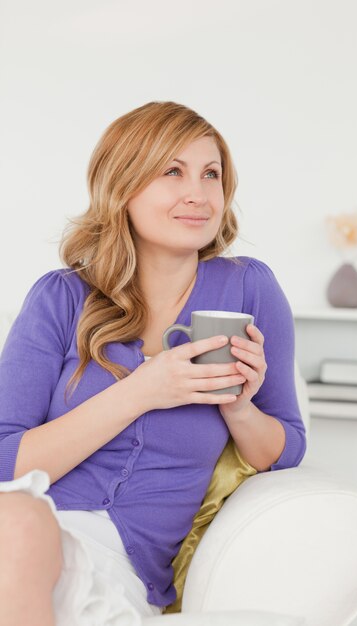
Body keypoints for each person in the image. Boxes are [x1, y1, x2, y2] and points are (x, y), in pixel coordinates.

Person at [0, 101, 306, 626]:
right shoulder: (61, 297)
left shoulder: (247, 288)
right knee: (18, 517)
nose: (198, 193)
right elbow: (6, 461)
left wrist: (239, 407)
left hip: (109, 559)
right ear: (124, 185)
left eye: (212, 174)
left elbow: (286, 448)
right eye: (173, 171)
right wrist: (144, 389)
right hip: (21, 529)